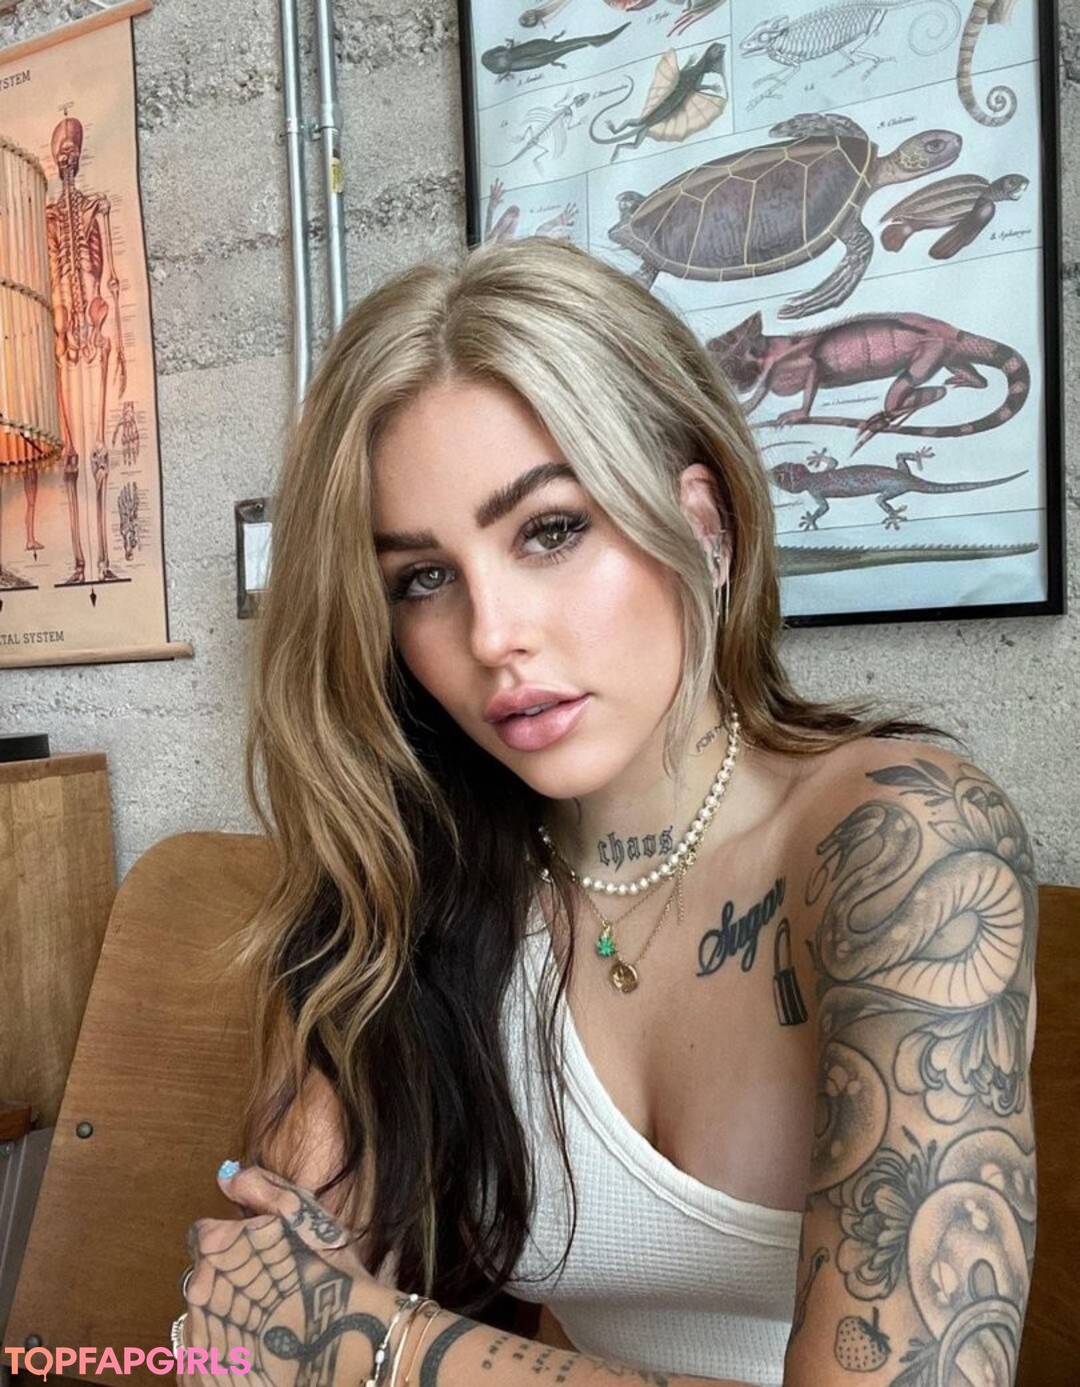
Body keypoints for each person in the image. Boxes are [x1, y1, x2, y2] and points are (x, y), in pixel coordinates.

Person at [179, 238, 1038, 1387]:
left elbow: (330, 1332)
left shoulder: (904, 844)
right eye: (423, 578)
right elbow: (262, 1329)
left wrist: (382, 1345)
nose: (493, 636)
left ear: (702, 525)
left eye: (549, 530)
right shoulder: (422, 887)